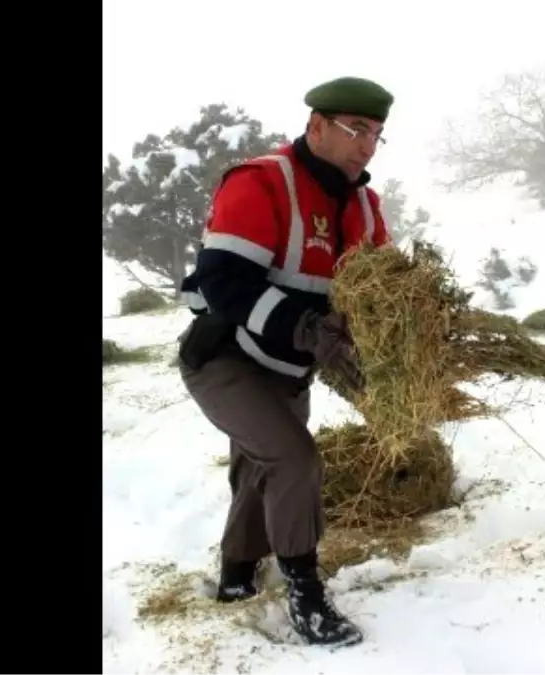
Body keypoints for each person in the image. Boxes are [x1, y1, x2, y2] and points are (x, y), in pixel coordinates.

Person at [174, 76, 395, 647]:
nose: (367, 145)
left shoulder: (367, 210)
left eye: (376, 134)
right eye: (356, 129)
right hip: (225, 359)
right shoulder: (262, 183)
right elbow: (224, 282)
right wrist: (302, 326)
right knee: (295, 460)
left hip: (290, 368)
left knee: (262, 467)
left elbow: (382, 298)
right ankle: (306, 595)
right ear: (316, 126)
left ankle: (236, 578)